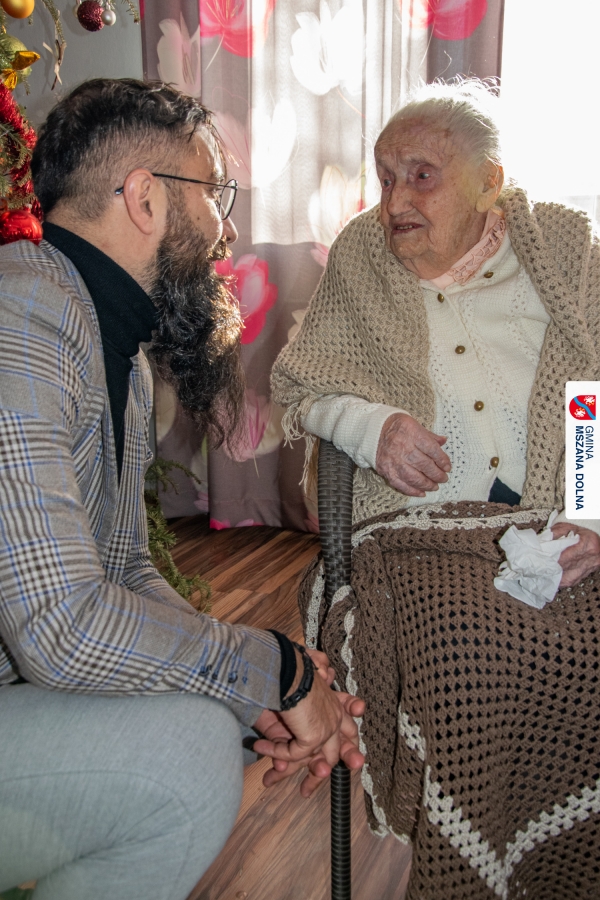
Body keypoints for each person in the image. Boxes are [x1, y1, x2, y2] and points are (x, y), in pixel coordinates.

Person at [0, 78, 364, 900]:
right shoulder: (19, 310)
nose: (228, 230)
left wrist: (259, 692)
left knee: (218, 725)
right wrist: (273, 669)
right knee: (187, 760)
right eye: (217, 194)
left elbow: (127, 569)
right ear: (145, 198)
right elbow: (59, 625)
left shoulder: (118, 350)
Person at [271, 79, 600, 899]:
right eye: (385, 177)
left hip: (554, 520)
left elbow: (591, 395)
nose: (394, 201)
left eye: (422, 176)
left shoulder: (565, 250)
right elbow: (305, 386)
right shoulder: (362, 254)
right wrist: (370, 426)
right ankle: (471, 872)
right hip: (415, 531)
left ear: (491, 182)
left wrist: (592, 511)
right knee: (465, 654)